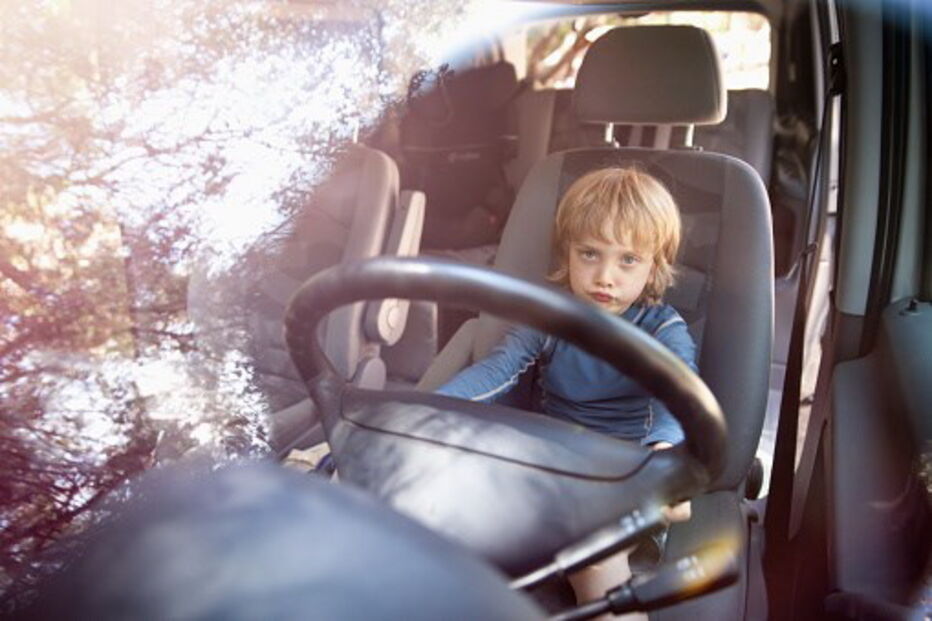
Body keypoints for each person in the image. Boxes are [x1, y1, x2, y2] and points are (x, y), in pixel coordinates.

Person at [436, 166, 695, 616]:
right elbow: (497, 370)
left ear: (655, 263)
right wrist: (429, 413)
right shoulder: (552, 317)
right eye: (589, 254)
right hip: (548, 469)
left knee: (593, 560)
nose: (605, 277)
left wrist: (664, 460)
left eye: (627, 260)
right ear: (567, 254)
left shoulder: (663, 330)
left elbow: (677, 395)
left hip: (627, 480)